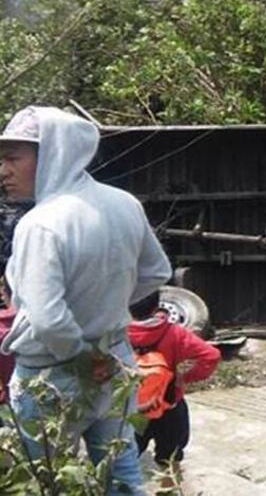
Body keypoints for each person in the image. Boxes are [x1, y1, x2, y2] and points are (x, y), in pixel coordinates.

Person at [0, 106, 173, 495]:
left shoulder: (41, 223)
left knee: (41, 477)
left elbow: (46, 319)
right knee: (121, 467)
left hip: (54, 373)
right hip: (114, 358)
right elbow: (156, 272)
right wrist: (105, 305)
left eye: (13, 158)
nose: (3, 171)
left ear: (54, 153)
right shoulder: (124, 203)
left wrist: (82, 355)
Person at [127, 290, 220, 470]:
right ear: (157, 306)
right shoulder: (174, 332)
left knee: (127, 458)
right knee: (170, 459)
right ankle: (170, 486)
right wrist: (184, 377)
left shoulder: (118, 332)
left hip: (132, 408)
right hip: (169, 405)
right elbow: (211, 356)